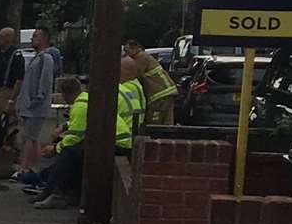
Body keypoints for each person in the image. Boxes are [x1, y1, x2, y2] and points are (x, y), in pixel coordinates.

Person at [31, 59, 139, 209]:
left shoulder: (79, 106)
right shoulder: (86, 100)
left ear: (65, 95)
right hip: (119, 142)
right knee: (73, 153)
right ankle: (59, 191)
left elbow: (74, 137)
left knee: (68, 154)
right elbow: (81, 127)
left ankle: (58, 194)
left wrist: (54, 149)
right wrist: (64, 127)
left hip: (116, 145)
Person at [14, 26, 58, 181]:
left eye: (36, 36)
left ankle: (24, 168)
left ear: (44, 39)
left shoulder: (46, 58)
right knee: (32, 138)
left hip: (36, 107)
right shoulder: (36, 57)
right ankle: (35, 167)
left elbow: (46, 81)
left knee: (28, 137)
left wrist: (37, 99)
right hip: (28, 106)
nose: (32, 39)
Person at [124, 38, 177, 128]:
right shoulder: (146, 57)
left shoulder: (141, 57)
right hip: (167, 92)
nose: (126, 54)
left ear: (134, 48)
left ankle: (154, 137)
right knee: (167, 121)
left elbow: (133, 74)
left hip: (159, 93)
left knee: (154, 121)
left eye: (127, 50)